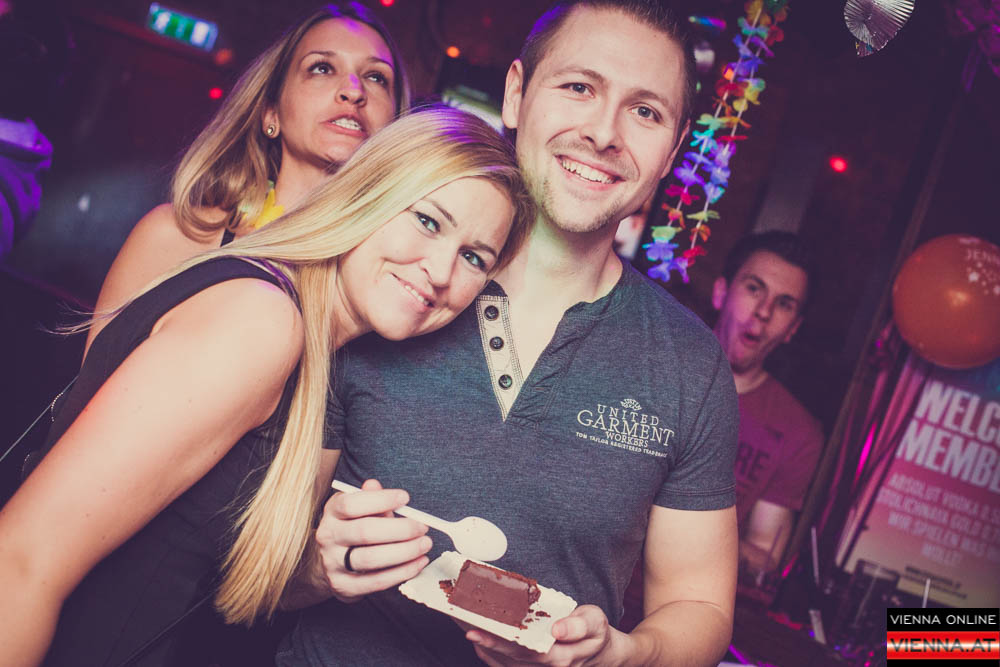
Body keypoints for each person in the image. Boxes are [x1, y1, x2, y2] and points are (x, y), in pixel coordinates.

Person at [281, 1, 740, 665]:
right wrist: (318, 568)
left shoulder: (690, 365)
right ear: (517, 93)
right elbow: (246, 563)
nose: (604, 133)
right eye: (579, 87)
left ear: (672, 148)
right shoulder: (390, 288)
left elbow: (699, 606)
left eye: (645, 111)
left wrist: (620, 655)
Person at [0, 107, 532, 667]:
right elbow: (21, 561)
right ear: (366, 192)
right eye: (428, 221)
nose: (442, 272)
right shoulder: (262, 320)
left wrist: (322, 570)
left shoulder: (320, 363)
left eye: (474, 257)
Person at [84, 2, 411, 357]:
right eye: (322, 68)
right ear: (272, 113)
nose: (354, 90)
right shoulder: (174, 237)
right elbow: (94, 385)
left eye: (376, 77)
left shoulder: (390, 290)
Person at [710, 231, 823, 576]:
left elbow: (764, 554)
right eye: (754, 288)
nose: (764, 311)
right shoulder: (653, 367)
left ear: (793, 329)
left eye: (784, 304)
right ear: (721, 292)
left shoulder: (797, 432)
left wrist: (694, 539)